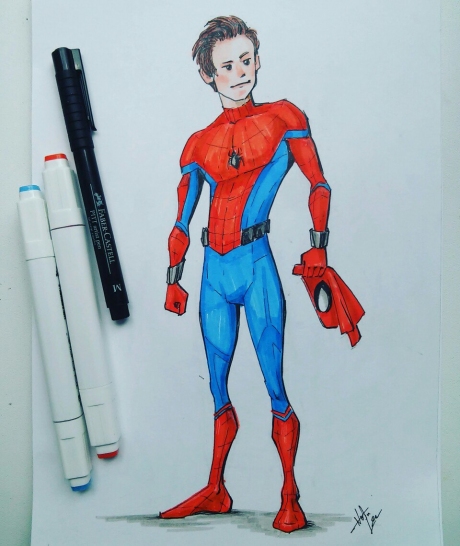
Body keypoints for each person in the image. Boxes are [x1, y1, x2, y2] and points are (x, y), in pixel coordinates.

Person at [160, 15, 331, 533]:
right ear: (208, 75)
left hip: (256, 266)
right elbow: (182, 218)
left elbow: (318, 184)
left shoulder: (284, 118)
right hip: (213, 273)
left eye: (246, 60)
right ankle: (216, 489)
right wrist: (173, 277)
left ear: (257, 60)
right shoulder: (198, 144)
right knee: (217, 387)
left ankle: (289, 493)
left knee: (274, 384)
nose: (240, 73)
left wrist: (318, 248)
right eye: (227, 66)